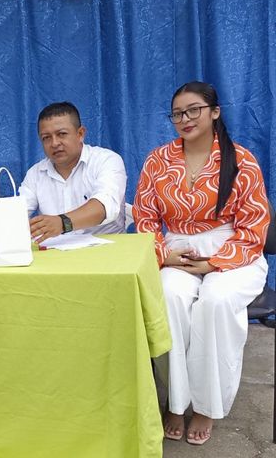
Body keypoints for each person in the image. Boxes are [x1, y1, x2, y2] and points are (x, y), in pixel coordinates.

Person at [133, 81, 269, 446]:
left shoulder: (241, 160)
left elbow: (254, 226)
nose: (185, 119)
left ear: (215, 112)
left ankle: (208, 405)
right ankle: (177, 402)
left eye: (194, 110)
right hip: (176, 249)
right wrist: (163, 254)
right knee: (169, 298)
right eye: (177, 113)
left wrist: (214, 263)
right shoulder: (158, 161)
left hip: (233, 250)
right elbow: (145, 218)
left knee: (215, 302)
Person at [19, 101, 126, 243]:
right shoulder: (35, 174)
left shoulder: (106, 160)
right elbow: (18, 215)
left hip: (107, 249)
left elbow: (104, 207)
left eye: (62, 134)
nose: (54, 143)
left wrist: (62, 223)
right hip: (55, 251)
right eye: (46, 138)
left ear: (80, 134)